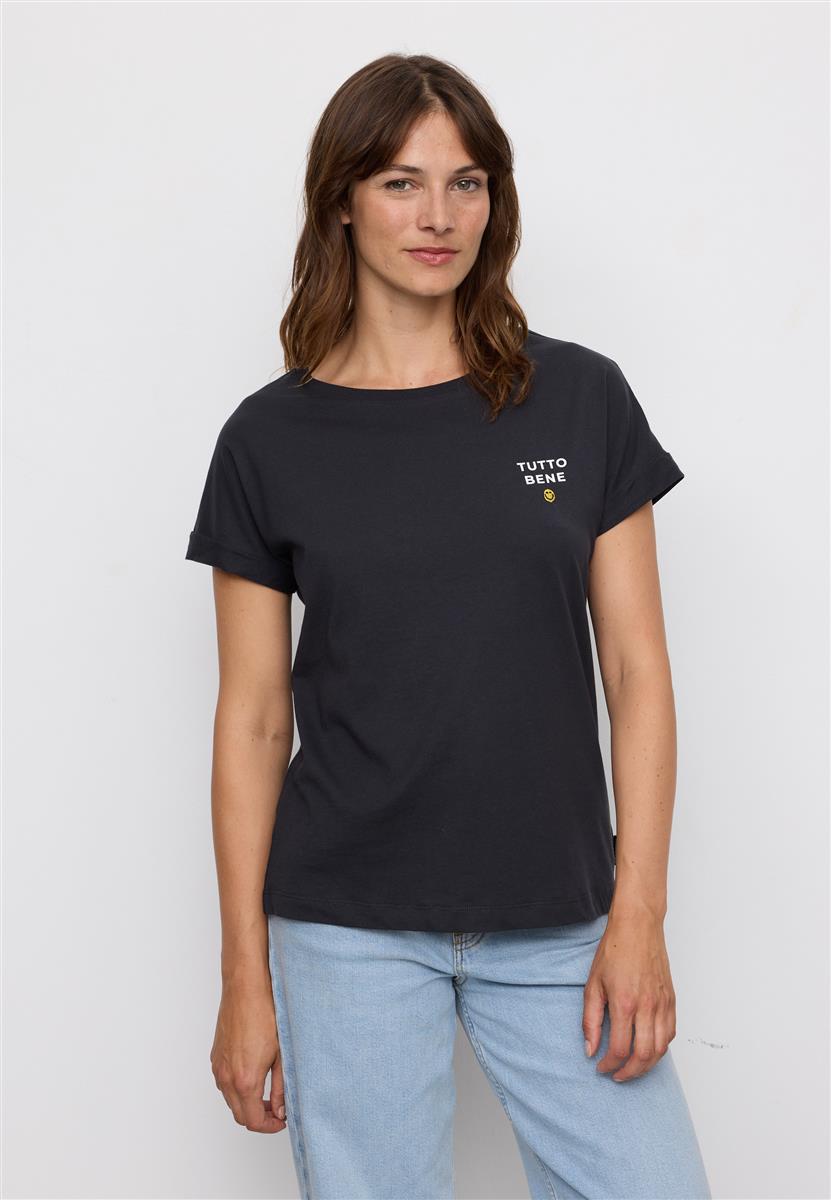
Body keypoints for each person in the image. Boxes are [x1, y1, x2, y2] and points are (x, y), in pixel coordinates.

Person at [185, 52, 712, 1200]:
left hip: (563, 916)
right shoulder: (268, 440)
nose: (439, 216)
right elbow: (255, 720)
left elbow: (637, 671)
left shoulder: (580, 399)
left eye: (466, 183)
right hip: (347, 929)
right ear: (341, 200)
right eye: (401, 183)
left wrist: (639, 913)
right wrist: (244, 977)